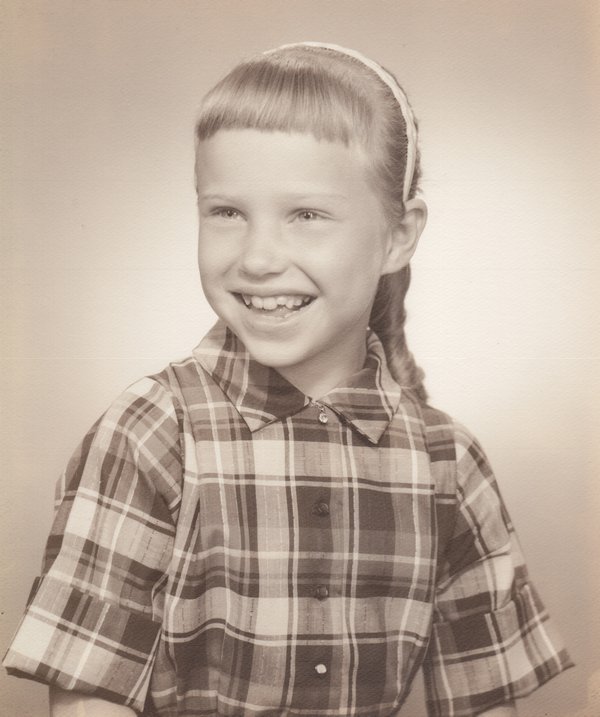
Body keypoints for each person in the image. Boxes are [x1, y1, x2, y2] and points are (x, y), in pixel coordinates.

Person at [3, 42, 572, 717]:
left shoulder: (449, 463)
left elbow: (485, 703)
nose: (259, 257)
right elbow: (88, 696)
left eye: (306, 215)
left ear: (399, 236)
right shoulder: (152, 431)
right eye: (227, 212)